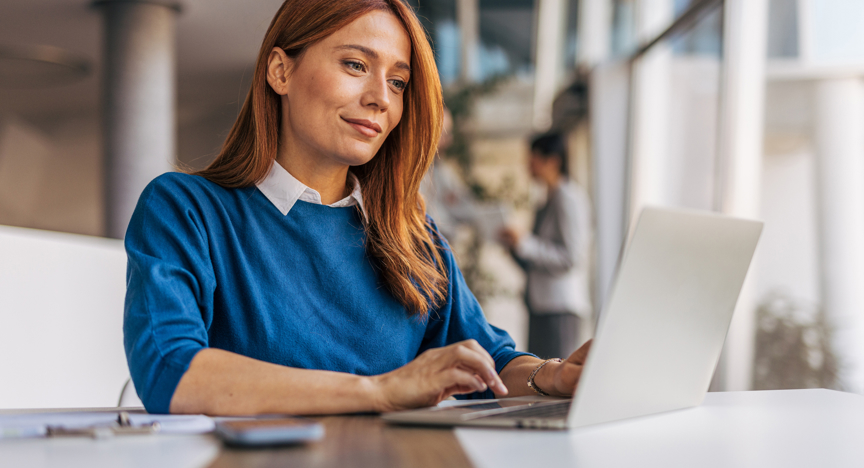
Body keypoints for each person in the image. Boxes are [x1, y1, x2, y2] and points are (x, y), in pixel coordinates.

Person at [123, 0, 591, 416]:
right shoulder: (184, 210)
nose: (380, 98)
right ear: (280, 71)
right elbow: (172, 371)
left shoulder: (412, 237)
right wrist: (380, 391)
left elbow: (488, 360)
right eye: (354, 64)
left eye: (398, 81)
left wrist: (550, 375)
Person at [499, 133, 593, 359]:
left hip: (559, 308)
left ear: (553, 161)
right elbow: (536, 260)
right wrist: (514, 247)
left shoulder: (568, 198)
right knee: (539, 375)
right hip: (541, 305)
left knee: (556, 379)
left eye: (533, 158)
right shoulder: (547, 199)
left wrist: (525, 243)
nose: (528, 165)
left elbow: (571, 257)